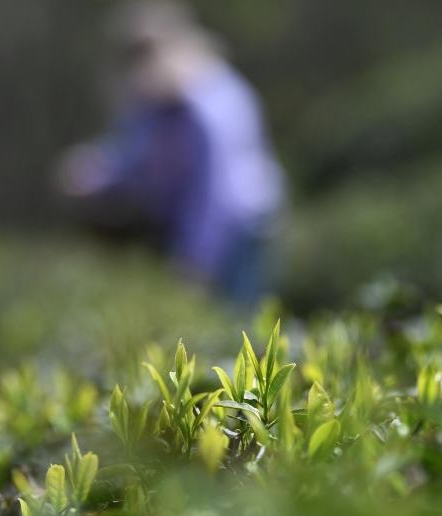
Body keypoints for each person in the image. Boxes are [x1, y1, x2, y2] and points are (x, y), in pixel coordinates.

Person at [56, 1, 285, 305]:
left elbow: (216, 194)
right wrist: (92, 172)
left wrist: (195, 261)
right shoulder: (151, 105)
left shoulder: (212, 103)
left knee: (235, 321)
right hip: (185, 224)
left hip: (240, 228)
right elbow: (132, 159)